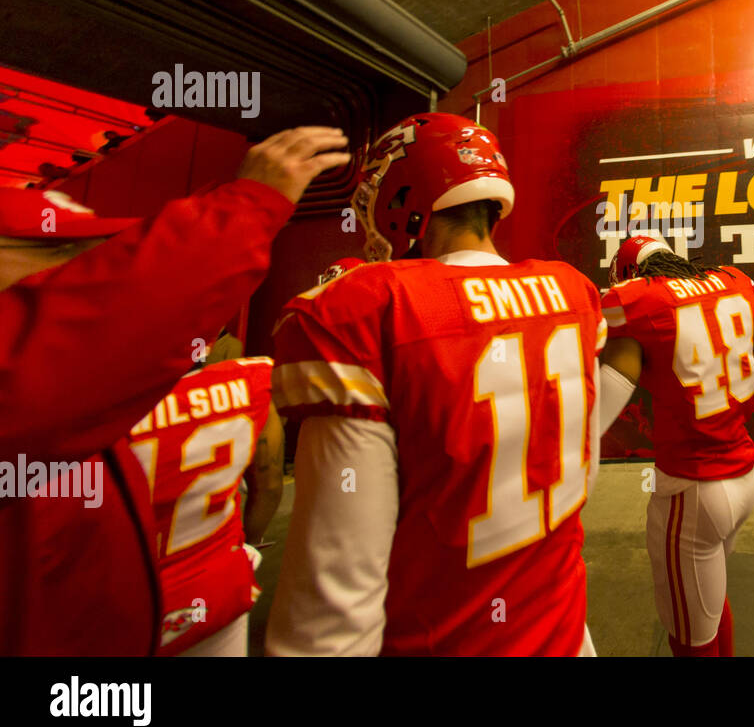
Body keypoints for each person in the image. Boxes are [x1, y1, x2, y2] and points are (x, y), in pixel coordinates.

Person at [0, 126, 349, 655]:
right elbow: (270, 478)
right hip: (211, 582)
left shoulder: (99, 395)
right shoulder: (239, 372)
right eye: (55, 249)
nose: (79, 268)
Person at [267, 113, 606, 656]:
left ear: (404, 198)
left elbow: (337, 597)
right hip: (564, 631)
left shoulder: (374, 309)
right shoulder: (572, 291)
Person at [598, 235, 754, 656]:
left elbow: (610, 379)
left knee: (689, 637)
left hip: (692, 489)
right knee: (708, 603)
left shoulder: (639, 300)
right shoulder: (729, 282)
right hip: (744, 477)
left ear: (629, 274)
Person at [128, 350, 284, 656]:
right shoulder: (251, 381)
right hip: (217, 587)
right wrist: (245, 548)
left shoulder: (89, 412)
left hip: (126, 601)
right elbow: (270, 487)